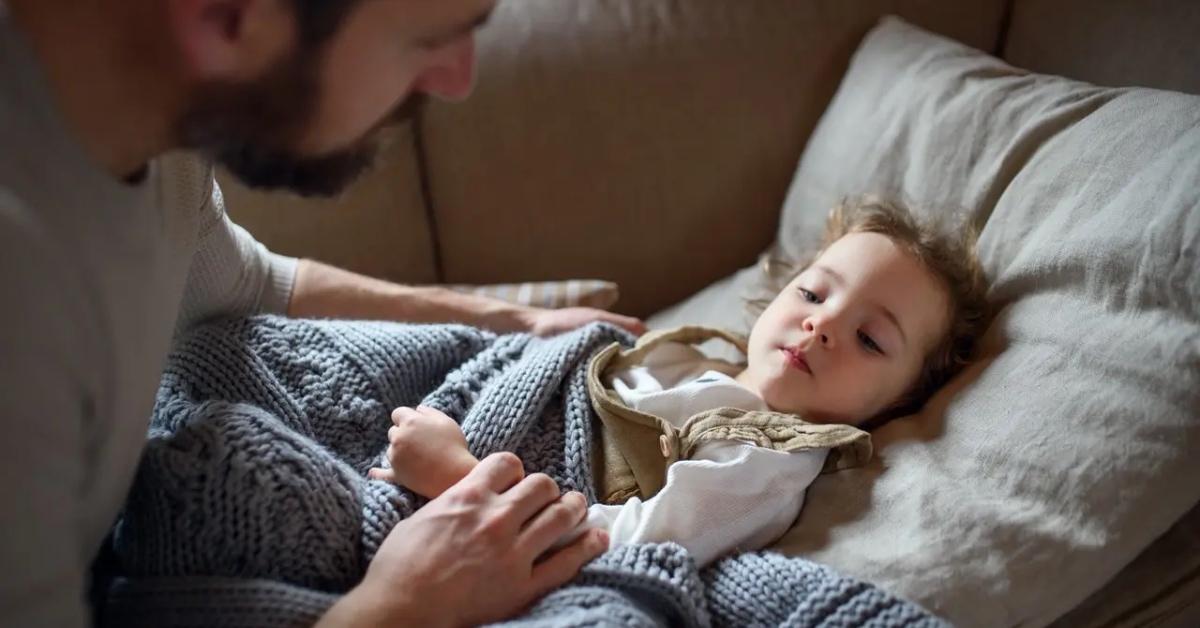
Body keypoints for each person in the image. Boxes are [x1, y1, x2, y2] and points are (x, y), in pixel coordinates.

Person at [0, 0, 647, 626]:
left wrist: (513, 319)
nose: (457, 79)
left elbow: (250, 283)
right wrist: (407, 606)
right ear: (228, 15)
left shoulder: (146, 115)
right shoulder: (21, 292)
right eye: (429, 38)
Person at [370, 197, 990, 567]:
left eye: (870, 339)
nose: (822, 323)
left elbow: (631, 546)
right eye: (813, 291)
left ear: (897, 405)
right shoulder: (688, 359)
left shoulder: (767, 461)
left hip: (476, 495)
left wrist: (459, 476)